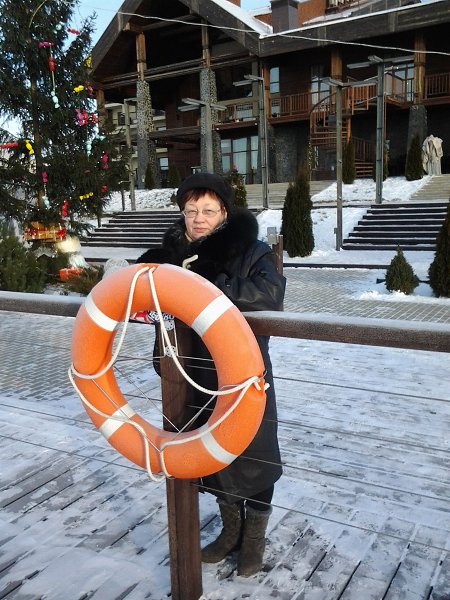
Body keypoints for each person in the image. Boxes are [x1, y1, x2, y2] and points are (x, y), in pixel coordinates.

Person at [137, 172, 286, 576]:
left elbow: (269, 296)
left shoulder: (251, 251)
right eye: (191, 211)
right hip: (192, 375)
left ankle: (253, 541)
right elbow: (143, 300)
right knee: (213, 457)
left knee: (254, 456)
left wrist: (207, 283)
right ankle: (230, 532)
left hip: (243, 374)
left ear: (223, 212)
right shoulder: (169, 256)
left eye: (208, 210)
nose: (198, 218)